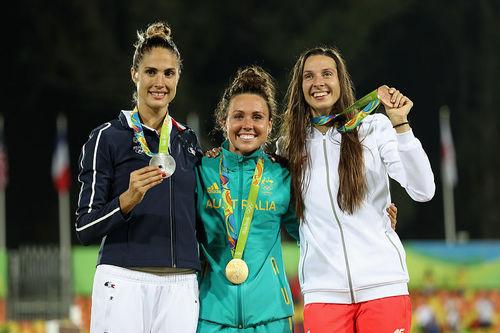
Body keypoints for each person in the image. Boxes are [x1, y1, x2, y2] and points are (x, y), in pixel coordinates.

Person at [279, 46, 435, 333]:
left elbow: (423, 189)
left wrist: (400, 124)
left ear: (341, 81)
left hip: (382, 285)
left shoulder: (374, 128)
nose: (319, 83)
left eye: (327, 74)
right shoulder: (288, 146)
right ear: (299, 87)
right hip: (323, 291)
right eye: (309, 76)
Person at [75, 22, 201, 333]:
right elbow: (84, 227)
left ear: (178, 79)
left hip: (181, 283)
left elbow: (200, 219)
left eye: (168, 73)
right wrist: (125, 202)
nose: (160, 82)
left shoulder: (188, 142)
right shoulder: (106, 137)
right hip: (123, 279)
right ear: (135, 74)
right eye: (151, 72)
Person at [195, 66, 299, 333]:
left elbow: (312, 231)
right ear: (224, 121)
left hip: (271, 316)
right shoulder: (202, 171)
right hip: (211, 315)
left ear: (269, 125)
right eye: (238, 116)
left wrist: (373, 221)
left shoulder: (282, 174)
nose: (247, 125)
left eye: (257, 117)